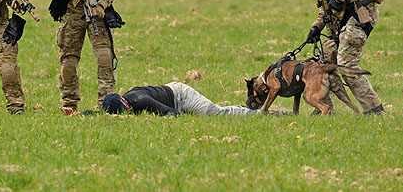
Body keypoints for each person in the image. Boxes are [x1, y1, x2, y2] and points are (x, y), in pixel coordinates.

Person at [71, 82, 290, 116]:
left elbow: (171, 113)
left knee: (215, 113)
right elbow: (102, 115)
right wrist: (79, 114)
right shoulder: (119, 103)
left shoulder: (139, 101)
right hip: (172, 93)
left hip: (181, 96)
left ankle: (266, 113)